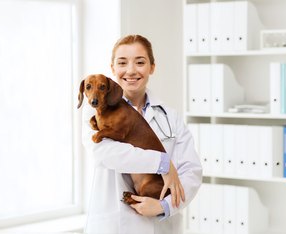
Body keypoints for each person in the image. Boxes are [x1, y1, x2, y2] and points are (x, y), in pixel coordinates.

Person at [81, 34, 202, 234]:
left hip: (160, 225)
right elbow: (110, 154)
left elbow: (192, 171)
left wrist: (164, 206)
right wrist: (163, 163)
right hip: (114, 225)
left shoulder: (170, 116)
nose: (131, 70)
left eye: (140, 62)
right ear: (112, 69)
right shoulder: (93, 112)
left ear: (151, 67)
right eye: (122, 62)